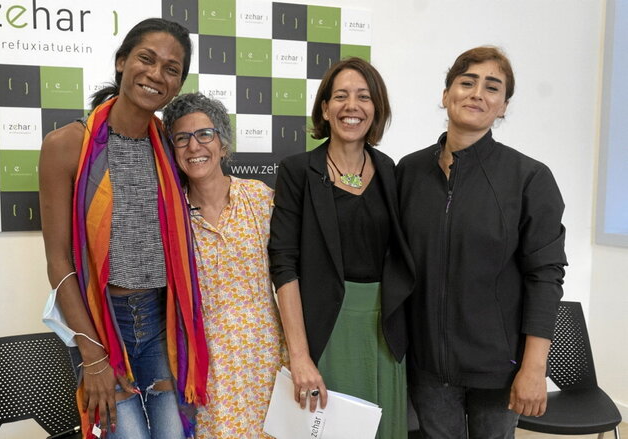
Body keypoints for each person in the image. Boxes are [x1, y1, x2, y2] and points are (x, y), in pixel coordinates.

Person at [39, 18, 208, 439]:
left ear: (178, 84)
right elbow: (58, 261)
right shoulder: (66, 145)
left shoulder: (170, 147)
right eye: (146, 59)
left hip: (160, 322)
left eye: (171, 69)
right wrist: (92, 355)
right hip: (100, 323)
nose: (156, 74)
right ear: (121, 62)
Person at [396, 46, 568, 438]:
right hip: (427, 369)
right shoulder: (409, 172)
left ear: (503, 106)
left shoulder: (529, 178)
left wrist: (533, 368)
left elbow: (545, 278)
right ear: (445, 95)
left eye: (492, 87)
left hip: (498, 370)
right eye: (466, 82)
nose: (477, 93)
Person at [268, 57, 415, 439]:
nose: (352, 106)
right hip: (326, 328)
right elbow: (284, 264)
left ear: (376, 109)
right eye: (341, 96)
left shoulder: (390, 171)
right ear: (325, 109)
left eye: (364, 97)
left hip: (384, 330)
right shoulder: (298, 171)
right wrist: (299, 356)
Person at [161, 92, 287, 438]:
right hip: (207, 370)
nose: (194, 146)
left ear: (223, 143)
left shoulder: (260, 198)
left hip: (267, 362)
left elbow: (291, 277)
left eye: (205, 134)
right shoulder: (169, 216)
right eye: (181, 138)